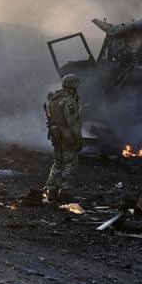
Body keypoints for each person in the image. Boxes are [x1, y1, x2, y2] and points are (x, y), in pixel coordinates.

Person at [44, 73, 83, 202]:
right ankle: (65, 190)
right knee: (70, 163)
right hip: (67, 136)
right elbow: (73, 122)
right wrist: (78, 139)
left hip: (56, 135)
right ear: (73, 86)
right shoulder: (68, 101)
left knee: (58, 162)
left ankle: (51, 189)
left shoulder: (54, 99)